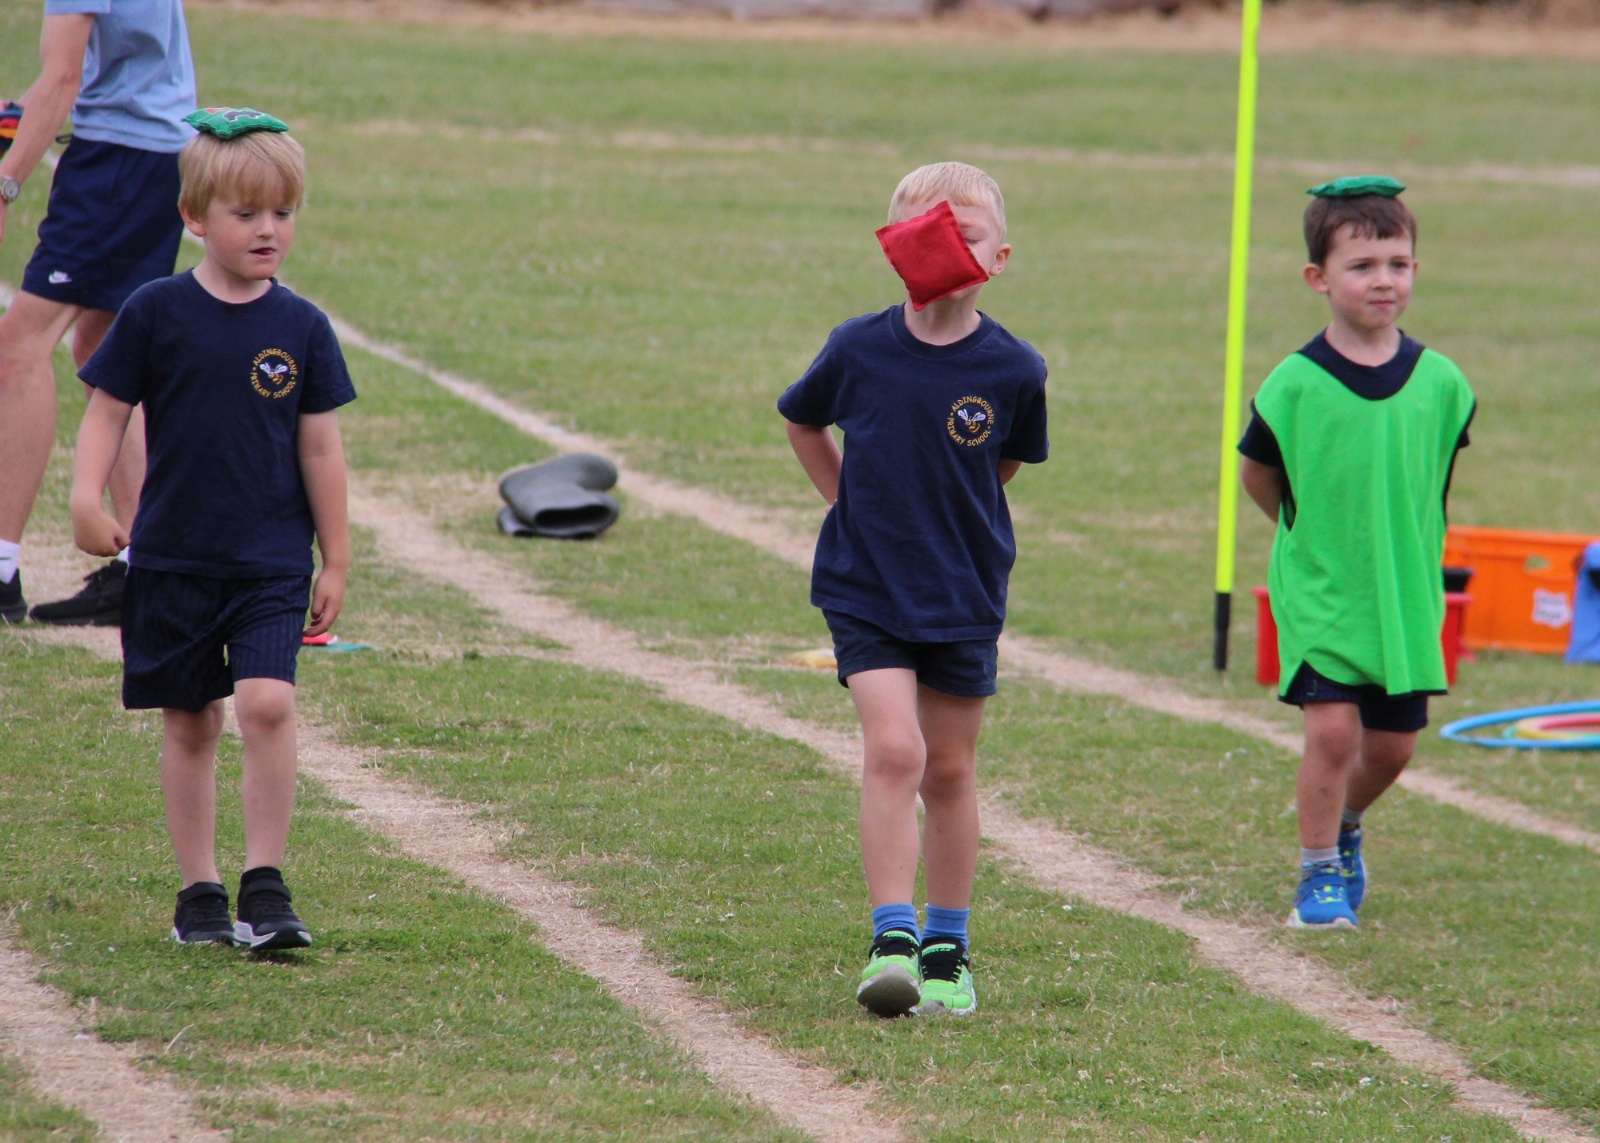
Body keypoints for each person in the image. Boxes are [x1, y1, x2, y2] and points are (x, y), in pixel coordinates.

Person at [69, 108, 354, 948]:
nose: (269, 229)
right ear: (194, 217)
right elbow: (107, 411)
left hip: (271, 561)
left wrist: (336, 557)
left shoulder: (302, 326)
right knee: (191, 721)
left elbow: (321, 448)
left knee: (268, 703)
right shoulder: (155, 311)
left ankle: (265, 888)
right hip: (173, 558)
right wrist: (86, 496)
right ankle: (199, 893)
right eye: (247, 212)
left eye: (284, 212)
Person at [779, 162, 1048, 1016]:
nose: (947, 246)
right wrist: (847, 505)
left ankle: (947, 948)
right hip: (865, 584)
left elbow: (1002, 464)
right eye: (928, 231)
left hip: (962, 588)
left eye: (966, 234)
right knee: (897, 750)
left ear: (999, 257)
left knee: (952, 769)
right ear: (896, 246)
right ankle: (891, 938)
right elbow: (802, 417)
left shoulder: (1015, 367)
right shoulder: (857, 348)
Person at [1238, 176, 1474, 929]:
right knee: (1334, 731)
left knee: (1394, 748)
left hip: (1403, 593)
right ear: (1319, 278)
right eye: (1362, 265)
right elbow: (1259, 473)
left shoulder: (1443, 383)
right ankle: (1318, 875)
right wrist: (1306, 537)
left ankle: (1344, 824)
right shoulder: (1294, 383)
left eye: (1397, 264)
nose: (1383, 280)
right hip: (1323, 588)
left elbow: (1429, 482)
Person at [0, 0, 196, 627]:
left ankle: (1, 567)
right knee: (106, 351)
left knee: (18, 348)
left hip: (119, 158)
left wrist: (6, 184)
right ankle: (144, 567)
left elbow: (64, 76)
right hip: (150, 152)